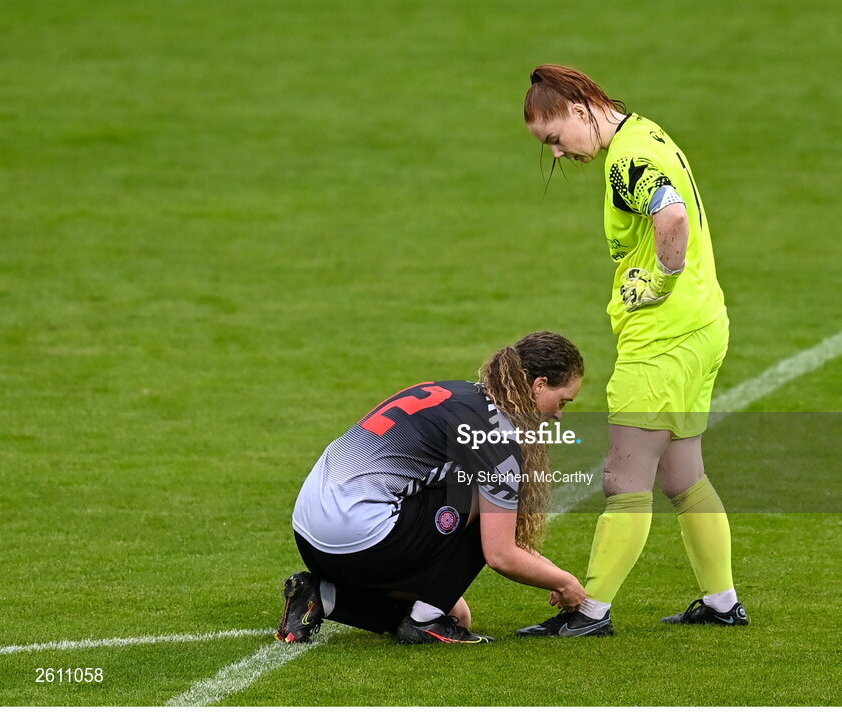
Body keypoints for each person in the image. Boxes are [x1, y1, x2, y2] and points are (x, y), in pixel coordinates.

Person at [516, 65, 748, 637]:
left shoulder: (626, 160)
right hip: (702, 329)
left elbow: (671, 218)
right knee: (683, 477)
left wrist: (663, 280)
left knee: (624, 480)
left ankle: (589, 611)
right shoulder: (646, 132)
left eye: (553, 139)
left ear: (577, 108)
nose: (558, 155)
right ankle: (722, 602)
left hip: (663, 342)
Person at [275, 331, 588, 645]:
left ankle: (322, 597)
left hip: (310, 539)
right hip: (363, 543)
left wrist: (543, 566)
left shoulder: (451, 391)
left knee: (457, 614)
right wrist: (565, 583)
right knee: (478, 496)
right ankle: (424, 622)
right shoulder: (495, 434)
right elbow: (500, 553)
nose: (559, 415)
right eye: (561, 402)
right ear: (539, 385)